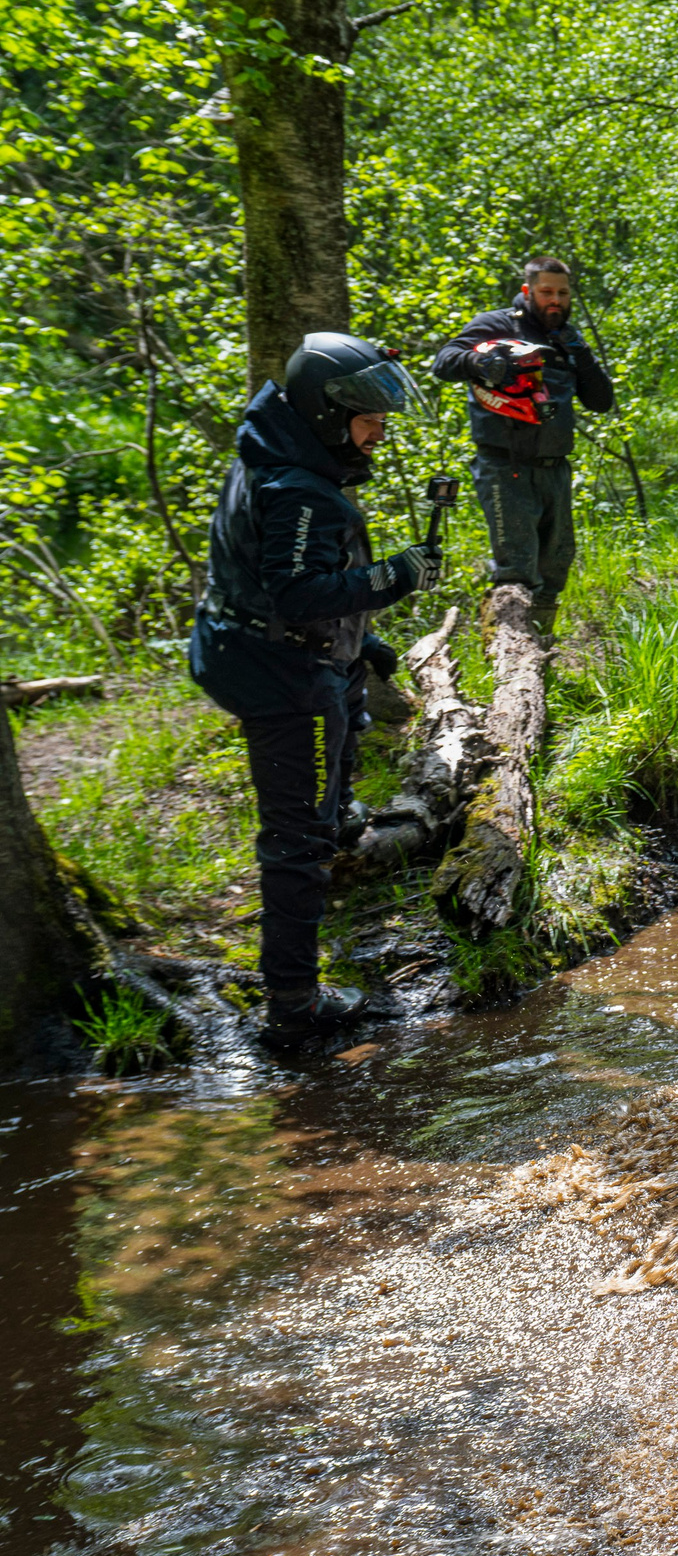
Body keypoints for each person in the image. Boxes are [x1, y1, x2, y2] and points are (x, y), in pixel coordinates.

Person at [190, 333, 443, 1045]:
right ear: (329, 415)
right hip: (275, 671)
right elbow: (299, 594)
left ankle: (339, 819)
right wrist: (391, 578)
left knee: (348, 702)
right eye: (368, 421)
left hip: (267, 647)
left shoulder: (277, 453)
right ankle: (294, 1003)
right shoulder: (299, 488)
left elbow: (279, 587)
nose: (377, 435)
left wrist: (359, 639)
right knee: (294, 839)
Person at [429, 256, 615, 621]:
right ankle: (507, 653)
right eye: (546, 292)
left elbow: (601, 401)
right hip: (504, 463)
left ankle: (541, 650)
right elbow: (444, 361)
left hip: (555, 467)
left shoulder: (568, 339)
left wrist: (581, 353)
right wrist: (480, 364)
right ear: (527, 291)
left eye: (562, 293)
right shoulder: (496, 324)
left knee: (555, 567)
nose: (555, 301)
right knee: (516, 569)